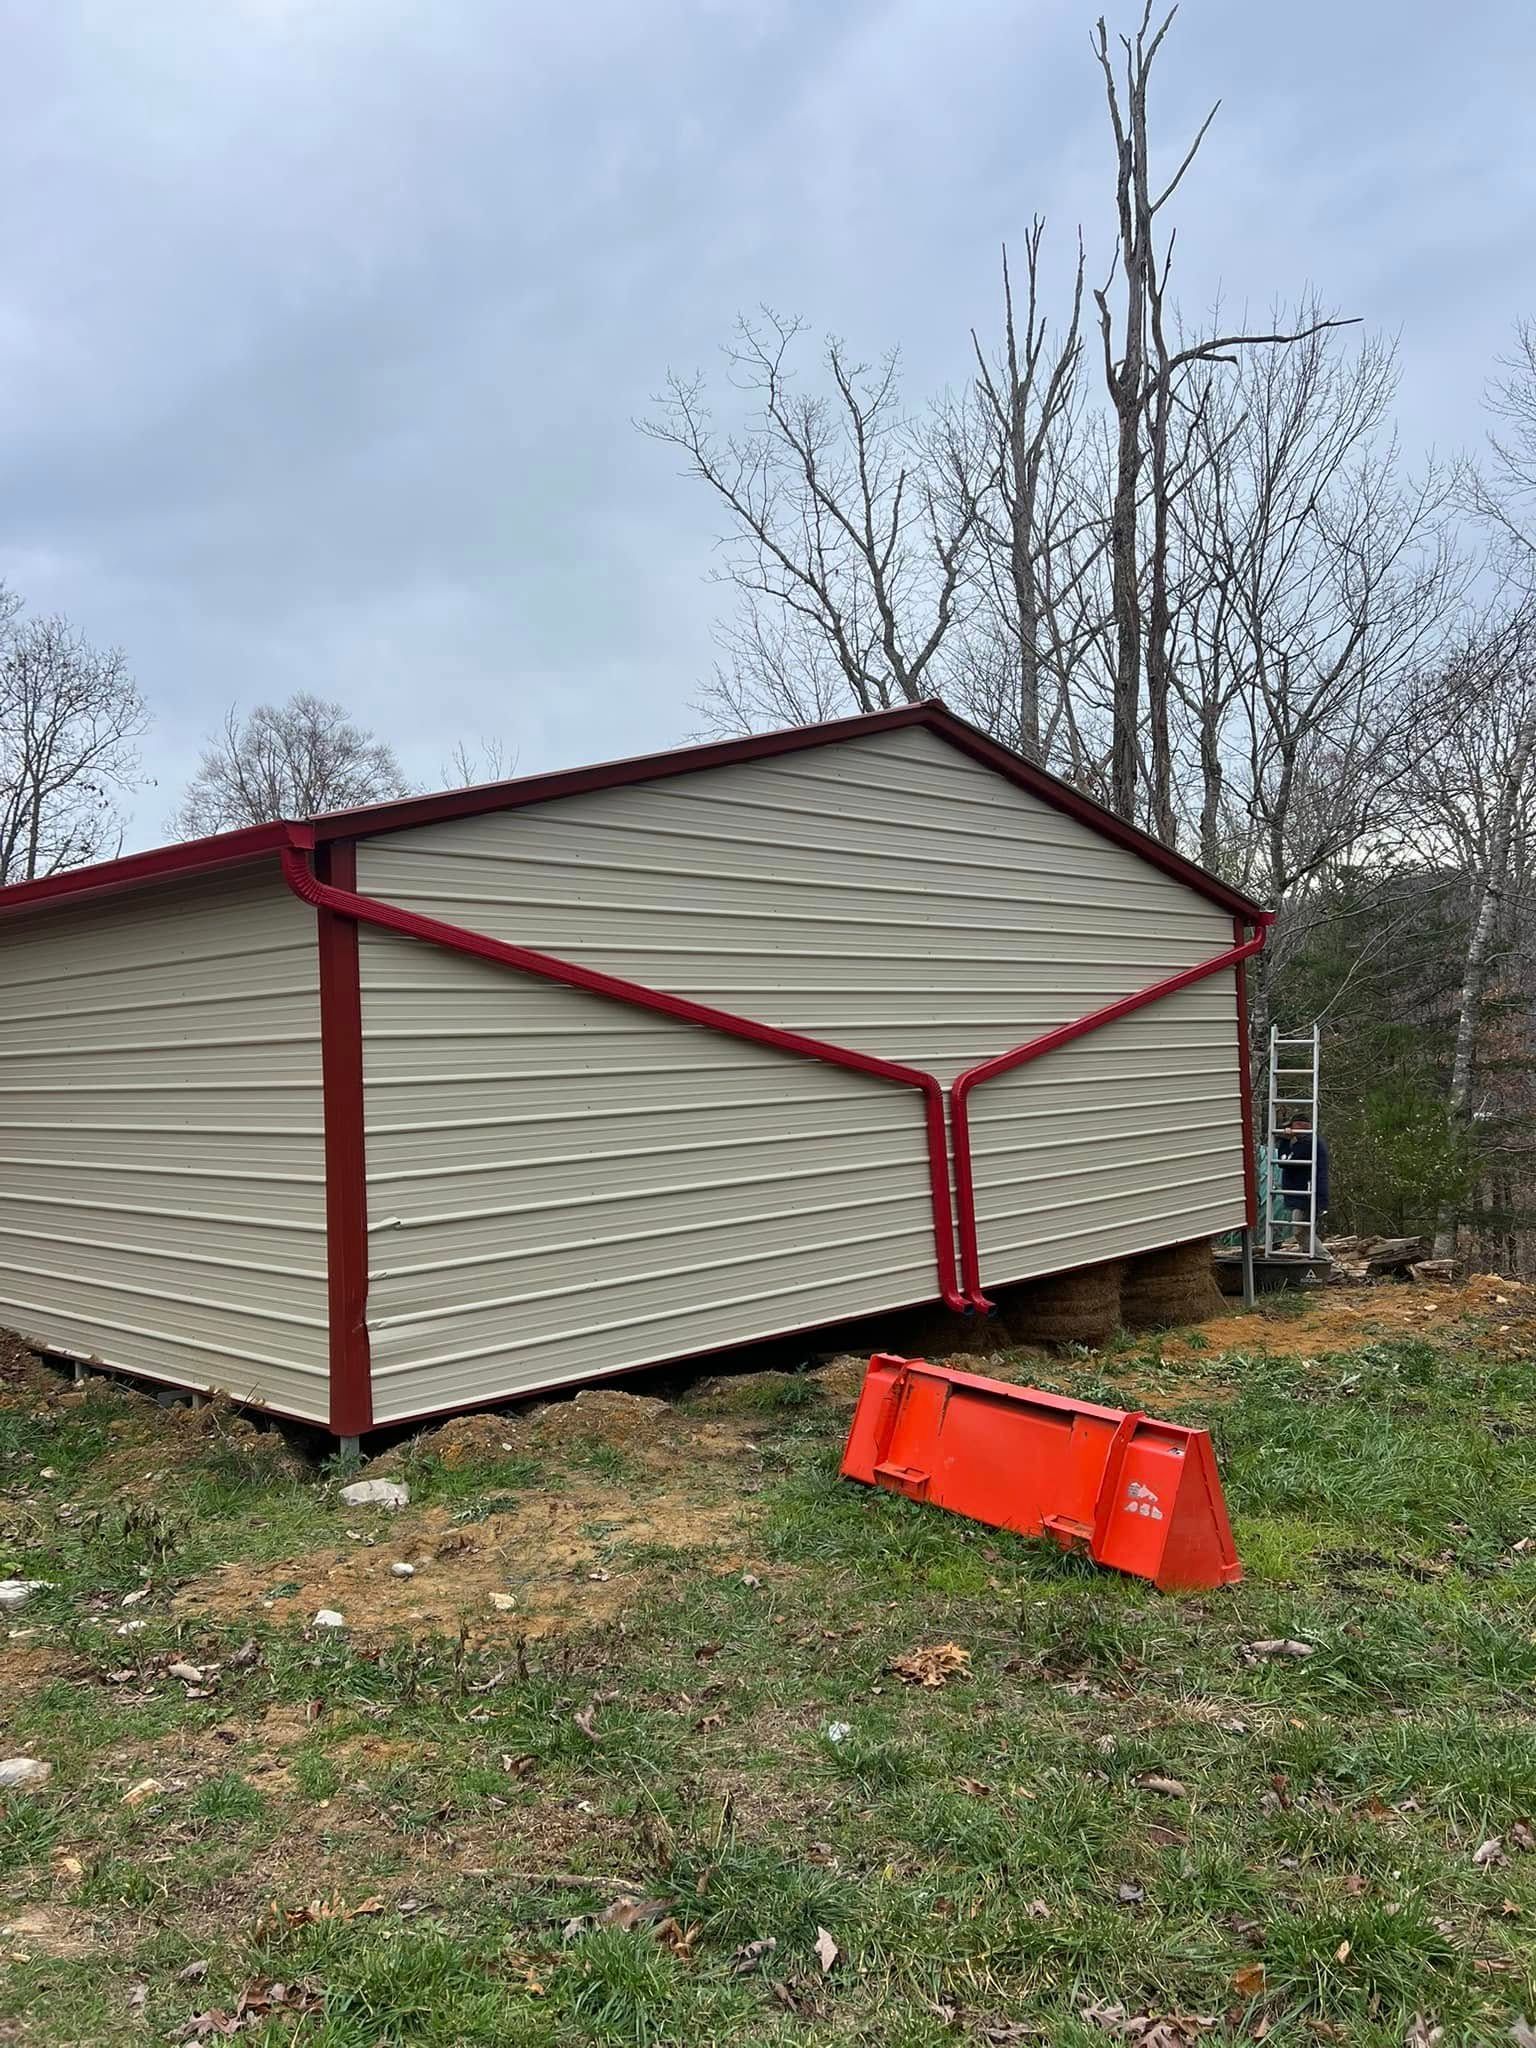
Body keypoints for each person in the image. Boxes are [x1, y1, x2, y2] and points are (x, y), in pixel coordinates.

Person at [1274, 1108, 1329, 1251]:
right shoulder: (1310, 1142)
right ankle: (1316, 1262)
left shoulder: (1306, 1144)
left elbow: (1284, 1162)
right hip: (1308, 1195)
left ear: (1297, 1126)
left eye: (1291, 1126)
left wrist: (1285, 1142)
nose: (1289, 1130)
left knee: (1301, 1232)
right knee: (1303, 1232)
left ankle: (1324, 1260)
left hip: (1307, 1197)